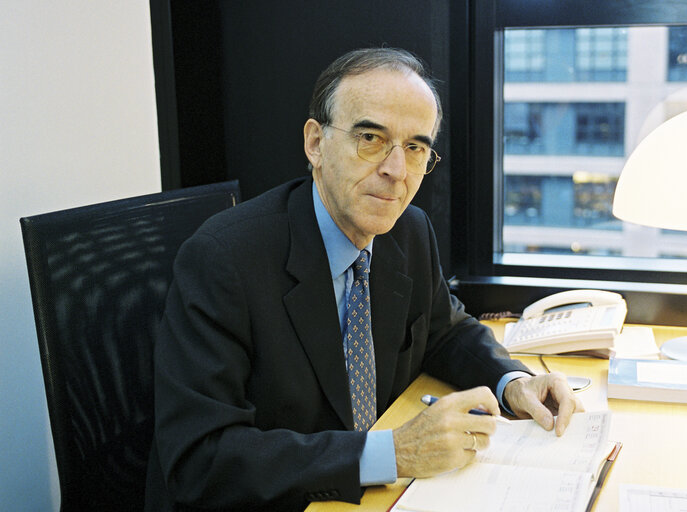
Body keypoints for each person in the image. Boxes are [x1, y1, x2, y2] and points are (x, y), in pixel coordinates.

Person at [145, 47, 584, 512]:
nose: (396, 171)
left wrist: (512, 381)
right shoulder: (223, 260)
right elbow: (200, 460)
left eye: (415, 148)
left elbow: (445, 331)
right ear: (315, 143)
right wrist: (391, 453)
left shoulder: (408, 231)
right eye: (371, 138)